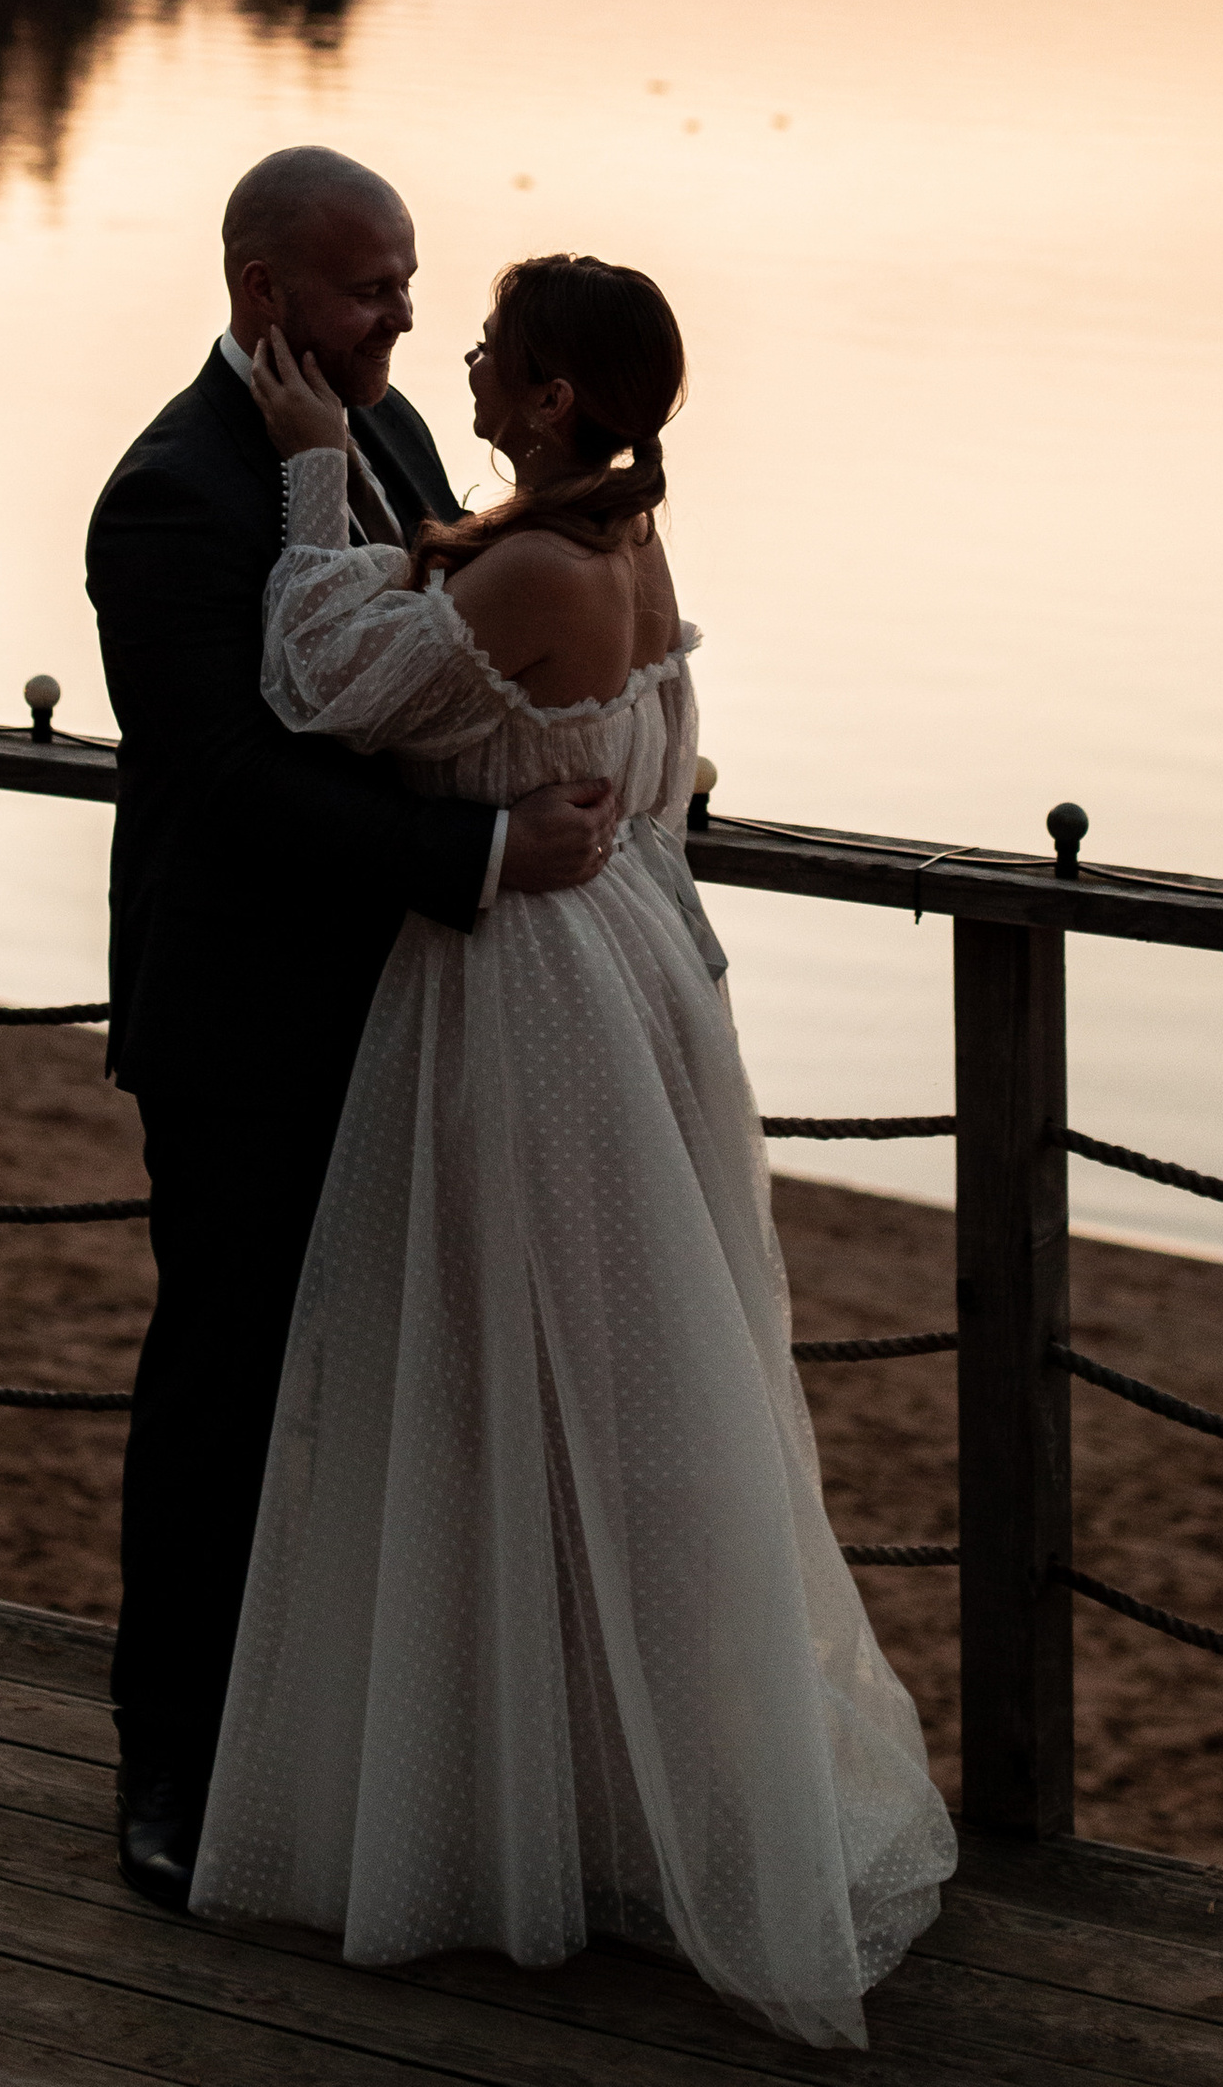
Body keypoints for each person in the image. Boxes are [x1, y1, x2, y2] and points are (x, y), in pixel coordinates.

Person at [189, 251, 955, 2050]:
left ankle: (546, 1814)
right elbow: (670, 750)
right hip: (612, 958)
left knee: (507, 1383)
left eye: (489, 347)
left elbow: (318, 680)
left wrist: (314, 470)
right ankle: (601, 1797)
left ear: (546, 398)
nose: (452, 349)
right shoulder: (617, 545)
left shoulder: (544, 562)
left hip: (519, 996)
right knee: (593, 1399)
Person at [85, 150, 619, 1912]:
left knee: (393, 1385)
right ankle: (167, 1766)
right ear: (265, 297)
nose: (401, 312)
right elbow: (232, 780)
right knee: (225, 1389)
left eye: (406, 279)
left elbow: (432, 658)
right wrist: (477, 849)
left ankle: (359, 1739)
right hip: (242, 1013)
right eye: (366, 286)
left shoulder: (380, 438)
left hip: (402, 1006)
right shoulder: (169, 496)